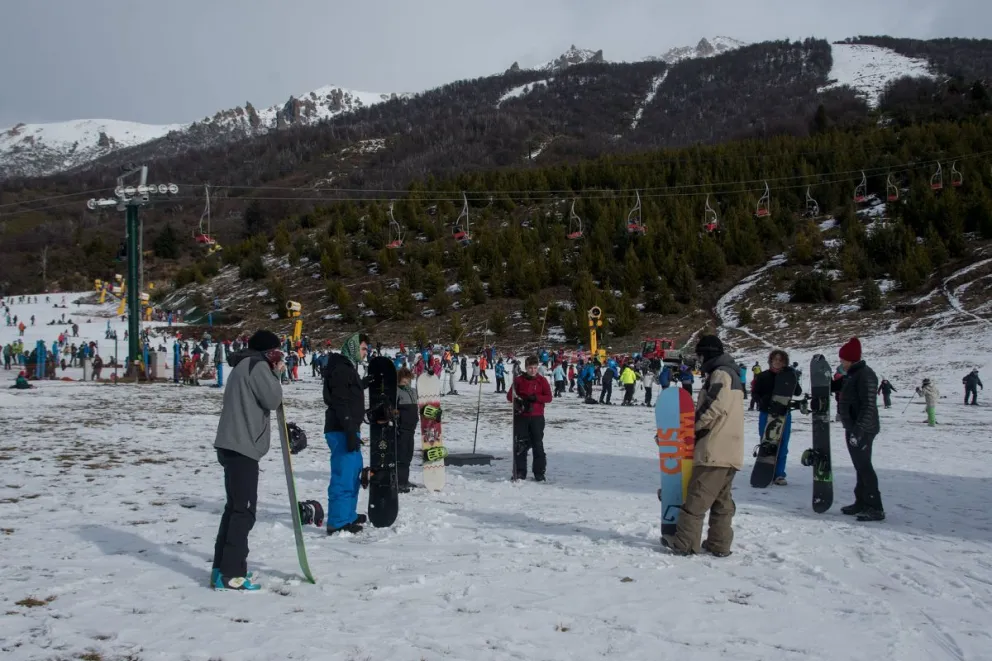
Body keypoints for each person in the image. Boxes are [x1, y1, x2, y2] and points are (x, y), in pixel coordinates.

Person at [211, 330, 284, 590]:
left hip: (231, 443)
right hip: (242, 446)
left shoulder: (243, 364)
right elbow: (274, 399)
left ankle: (221, 569)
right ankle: (232, 574)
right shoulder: (258, 366)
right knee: (244, 512)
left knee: (233, 509)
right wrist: (276, 372)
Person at [663, 335, 743, 557]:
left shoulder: (721, 374)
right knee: (721, 502)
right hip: (731, 449)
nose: (699, 360)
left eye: (700, 355)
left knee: (697, 499)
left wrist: (689, 428)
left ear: (707, 354)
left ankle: (685, 543)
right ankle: (719, 543)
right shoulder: (732, 374)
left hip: (714, 449)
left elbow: (712, 408)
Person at [323, 332, 370, 535]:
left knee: (353, 473)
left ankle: (348, 514)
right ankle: (338, 521)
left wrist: (366, 382)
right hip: (342, 429)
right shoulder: (342, 368)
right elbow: (340, 401)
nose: (365, 352)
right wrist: (350, 428)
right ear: (353, 347)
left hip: (349, 429)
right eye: (363, 348)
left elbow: (350, 391)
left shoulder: (347, 367)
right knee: (344, 475)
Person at [833, 337, 883, 522]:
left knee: (864, 467)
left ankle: (874, 506)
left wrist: (859, 430)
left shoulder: (865, 375)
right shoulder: (853, 374)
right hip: (854, 427)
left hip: (863, 429)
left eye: (842, 360)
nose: (841, 363)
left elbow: (868, 406)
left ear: (850, 359)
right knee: (860, 466)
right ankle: (861, 501)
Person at [751, 349, 803, 485]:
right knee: (767, 442)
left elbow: (798, 392)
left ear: (785, 362)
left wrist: (794, 377)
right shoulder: (763, 376)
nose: (777, 362)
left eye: (781, 360)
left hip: (784, 414)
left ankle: (779, 474)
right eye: (775, 360)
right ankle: (766, 470)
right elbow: (755, 393)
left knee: (783, 444)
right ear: (771, 361)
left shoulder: (789, 376)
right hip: (766, 413)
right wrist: (762, 401)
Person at [507, 355, 553, 481]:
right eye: (530, 368)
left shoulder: (541, 380)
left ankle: (539, 472)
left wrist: (537, 398)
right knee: (520, 445)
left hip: (537, 417)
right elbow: (510, 396)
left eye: (534, 368)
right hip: (522, 416)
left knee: (538, 445)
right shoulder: (519, 380)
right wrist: (518, 401)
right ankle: (520, 471)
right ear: (526, 368)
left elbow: (549, 397)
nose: (533, 370)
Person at [395, 368, 418, 492]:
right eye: (404, 381)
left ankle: (405, 479)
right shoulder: (397, 391)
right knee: (401, 456)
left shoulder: (413, 392)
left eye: (408, 380)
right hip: (402, 428)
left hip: (411, 429)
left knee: (408, 455)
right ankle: (399, 481)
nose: (406, 383)